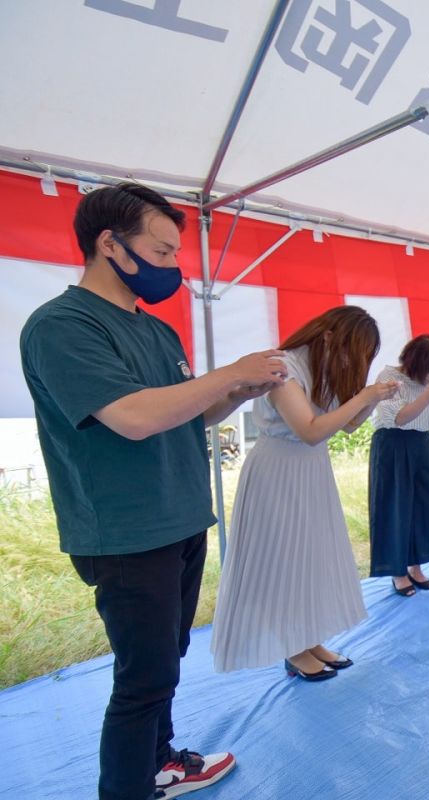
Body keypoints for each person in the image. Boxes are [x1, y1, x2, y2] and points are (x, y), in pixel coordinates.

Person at [19, 183, 286, 800]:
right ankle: (128, 788)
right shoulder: (63, 325)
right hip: (126, 531)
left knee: (165, 663)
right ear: (109, 244)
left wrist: (238, 393)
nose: (174, 268)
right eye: (162, 252)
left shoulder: (159, 332)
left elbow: (184, 413)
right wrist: (230, 372)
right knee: (142, 680)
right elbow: (133, 417)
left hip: (182, 518)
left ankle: (161, 761)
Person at [210, 306, 397, 681]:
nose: (350, 362)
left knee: (312, 557)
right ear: (328, 337)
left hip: (311, 470)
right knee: (285, 558)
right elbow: (309, 429)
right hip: (277, 471)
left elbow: (347, 425)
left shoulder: (321, 368)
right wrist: (365, 396)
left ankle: (309, 639)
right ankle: (292, 648)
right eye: (352, 352)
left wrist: (374, 397)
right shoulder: (283, 368)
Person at [369, 334, 429, 595]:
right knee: (396, 508)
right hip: (393, 445)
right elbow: (400, 417)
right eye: (428, 372)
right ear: (413, 365)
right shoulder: (389, 378)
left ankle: (415, 565)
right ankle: (397, 571)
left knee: (425, 506)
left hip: (423, 444)